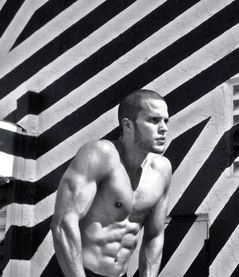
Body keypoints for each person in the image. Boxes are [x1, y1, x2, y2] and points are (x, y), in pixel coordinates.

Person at [51, 89, 172, 277]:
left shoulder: (162, 170)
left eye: (166, 120)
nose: (164, 128)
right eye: (154, 120)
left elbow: (154, 236)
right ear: (128, 125)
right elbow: (63, 223)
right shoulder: (100, 154)